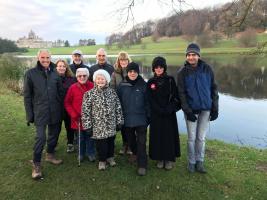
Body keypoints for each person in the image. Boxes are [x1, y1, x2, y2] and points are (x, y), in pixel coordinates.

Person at [177, 43, 219, 173]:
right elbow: (181, 94)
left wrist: (215, 108)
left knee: (201, 138)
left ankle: (200, 161)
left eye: (194, 54)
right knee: (191, 138)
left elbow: (214, 89)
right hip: (191, 111)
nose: (191, 57)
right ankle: (191, 162)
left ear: (198, 56)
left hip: (206, 109)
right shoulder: (182, 72)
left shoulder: (207, 69)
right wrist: (187, 110)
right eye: (189, 55)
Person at [24, 49, 63, 179]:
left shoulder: (55, 73)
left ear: (50, 58)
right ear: (38, 58)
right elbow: (27, 96)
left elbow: (60, 93)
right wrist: (30, 115)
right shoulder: (30, 73)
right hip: (40, 111)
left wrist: (63, 109)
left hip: (55, 110)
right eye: (43, 57)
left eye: (47, 57)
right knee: (41, 138)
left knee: (54, 135)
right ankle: (36, 164)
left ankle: (50, 155)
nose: (45, 60)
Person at [82, 69, 124, 171]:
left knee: (110, 142)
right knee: (101, 144)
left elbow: (118, 107)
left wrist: (120, 121)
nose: (100, 81)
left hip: (111, 123)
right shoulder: (89, 94)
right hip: (98, 125)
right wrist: (87, 125)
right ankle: (102, 160)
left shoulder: (112, 92)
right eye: (98, 79)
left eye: (102, 79)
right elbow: (85, 111)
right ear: (95, 80)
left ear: (107, 80)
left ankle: (110, 157)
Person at [147, 56, 181, 170]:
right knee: (157, 136)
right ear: (153, 68)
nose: (158, 69)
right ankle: (159, 158)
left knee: (168, 137)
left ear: (164, 68)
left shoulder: (170, 80)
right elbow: (149, 99)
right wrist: (158, 109)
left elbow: (176, 97)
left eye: (161, 67)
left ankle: (168, 159)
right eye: (156, 67)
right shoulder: (151, 82)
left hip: (169, 114)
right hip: (156, 114)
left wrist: (169, 109)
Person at [117, 62, 150, 176]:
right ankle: (135, 154)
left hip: (141, 119)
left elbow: (148, 103)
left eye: (135, 71)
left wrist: (148, 118)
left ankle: (142, 165)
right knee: (130, 141)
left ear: (138, 72)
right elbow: (119, 103)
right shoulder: (122, 85)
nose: (132, 73)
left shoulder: (144, 85)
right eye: (130, 71)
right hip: (127, 119)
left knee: (141, 142)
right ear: (127, 72)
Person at [64, 68, 95, 162]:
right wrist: (73, 114)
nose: (82, 77)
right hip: (77, 118)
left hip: (91, 118)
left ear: (88, 76)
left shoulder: (93, 86)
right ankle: (80, 153)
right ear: (77, 77)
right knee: (80, 138)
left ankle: (90, 152)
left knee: (90, 137)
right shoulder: (72, 87)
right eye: (80, 76)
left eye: (84, 75)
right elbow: (67, 103)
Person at [110, 51, 133, 155]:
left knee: (131, 125)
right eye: (121, 60)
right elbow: (112, 88)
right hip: (119, 104)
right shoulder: (115, 73)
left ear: (128, 60)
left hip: (131, 104)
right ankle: (125, 144)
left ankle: (131, 145)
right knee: (123, 125)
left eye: (125, 60)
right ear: (118, 61)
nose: (123, 62)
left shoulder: (133, 71)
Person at [55, 59, 76, 153]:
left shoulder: (71, 79)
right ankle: (53, 145)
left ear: (66, 68)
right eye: (59, 66)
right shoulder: (52, 78)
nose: (62, 68)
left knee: (69, 127)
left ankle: (70, 143)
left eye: (64, 66)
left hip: (68, 107)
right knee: (56, 128)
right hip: (57, 108)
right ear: (56, 67)